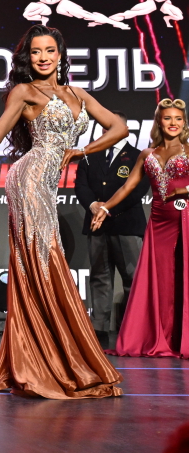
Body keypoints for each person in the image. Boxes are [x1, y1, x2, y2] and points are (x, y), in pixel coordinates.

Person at [0, 24, 124, 398]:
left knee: (45, 259)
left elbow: (118, 127)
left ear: (60, 55)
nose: (43, 57)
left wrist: (82, 151)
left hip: (48, 182)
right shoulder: (24, 92)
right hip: (28, 178)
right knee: (43, 258)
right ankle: (47, 356)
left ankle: (50, 351)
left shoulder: (76, 93)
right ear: (28, 57)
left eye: (49, 50)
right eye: (35, 51)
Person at [91, 98, 189, 357]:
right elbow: (128, 186)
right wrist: (105, 208)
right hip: (159, 223)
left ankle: (184, 338)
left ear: (184, 123)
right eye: (168, 118)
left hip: (185, 219)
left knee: (185, 276)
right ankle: (161, 336)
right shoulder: (147, 155)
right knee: (161, 281)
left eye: (178, 119)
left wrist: (184, 190)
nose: (173, 123)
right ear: (159, 122)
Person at [73, 113, 147, 347]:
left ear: (124, 129)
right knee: (100, 277)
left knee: (132, 278)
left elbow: (137, 191)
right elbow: (80, 186)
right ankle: (99, 328)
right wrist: (93, 206)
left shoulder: (138, 156)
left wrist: (108, 209)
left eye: (111, 127)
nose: (106, 131)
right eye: (104, 128)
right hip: (96, 226)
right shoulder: (89, 156)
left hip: (126, 225)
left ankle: (133, 329)